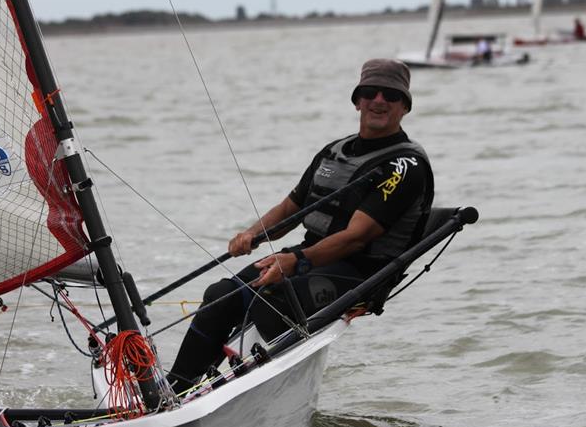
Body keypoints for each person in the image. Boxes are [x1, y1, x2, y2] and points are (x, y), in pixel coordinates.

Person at [167, 58, 434, 393]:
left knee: (271, 300)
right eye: (370, 92)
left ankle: (234, 393)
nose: (379, 101)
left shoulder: (405, 166)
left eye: (391, 96)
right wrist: (252, 234)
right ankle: (176, 390)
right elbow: (290, 208)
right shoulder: (333, 152)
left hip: (360, 273)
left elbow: (355, 238)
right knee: (221, 294)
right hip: (307, 260)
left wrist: (297, 261)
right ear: (357, 101)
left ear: (405, 107)